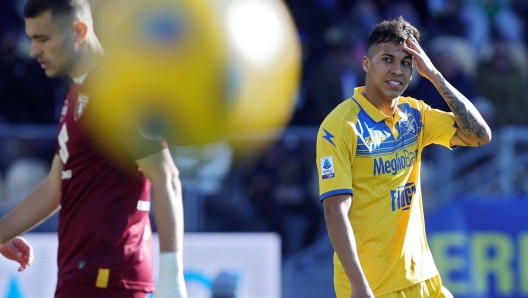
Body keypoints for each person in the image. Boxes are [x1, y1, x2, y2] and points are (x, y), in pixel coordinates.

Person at [0, 0, 187, 297]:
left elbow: (167, 176)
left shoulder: (117, 91)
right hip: (83, 276)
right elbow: (55, 186)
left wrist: (172, 277)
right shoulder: (77, 91)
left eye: (43, 38)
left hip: (109, 277)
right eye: (31, 39)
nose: (34, 50)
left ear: (78, 31)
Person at [316, 16, 491, 298]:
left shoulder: (416, 114)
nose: (397, 70)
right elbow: (335, 211)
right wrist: (359, 285)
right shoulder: (339, 126)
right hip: (373, 288)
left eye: (406, 63)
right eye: (387, 59)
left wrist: (435, 76)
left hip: (424, 278)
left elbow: (479, 135)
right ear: (366, 64)